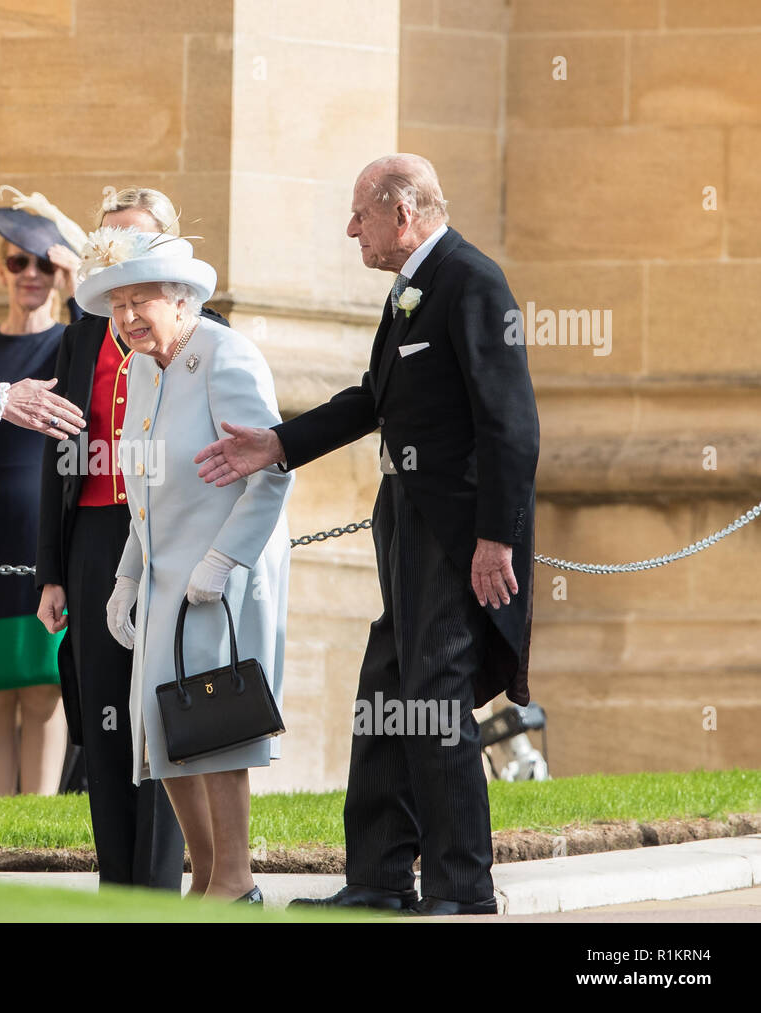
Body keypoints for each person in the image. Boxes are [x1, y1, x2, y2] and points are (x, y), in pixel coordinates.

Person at [194, 153, 540, 915]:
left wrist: (496, 540)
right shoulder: (411, 290)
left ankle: (461, 889)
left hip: (454, 534)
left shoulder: (472, 280)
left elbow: (512, 424)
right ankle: (381, 877)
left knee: (435, 698)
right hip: (403, 524)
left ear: (403, 212)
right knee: (384, 690)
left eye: (360, 214)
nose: (351, 228)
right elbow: (371, 399)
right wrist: (277, 442)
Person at [77, 227, 294, 904]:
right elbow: (142, 485)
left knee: (218, 721)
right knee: (161, 723)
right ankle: (203, 873)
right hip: (168, 571)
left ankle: (235, 878)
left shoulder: (225, 355)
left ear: (181, 298)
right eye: (118, 305)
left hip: (225, 571)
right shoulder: (143, 366)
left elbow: (272, 471)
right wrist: (126, 574)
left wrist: (224, 559)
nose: (128, 317)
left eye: (140, 300)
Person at [36, 188, 231, 890]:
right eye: (107, 239)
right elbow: (58, 450)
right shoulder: (85, 328)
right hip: (96, 538)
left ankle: (156, 884)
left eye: (133, 240)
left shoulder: (200, 327)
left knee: (161, 709)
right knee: (104, 717)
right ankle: (116, 884)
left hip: (170, 534)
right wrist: (51, 569)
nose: (115, 256)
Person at [0, 191, 86, 796]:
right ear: (2, 270)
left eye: (44, 265)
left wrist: (80, 270)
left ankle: (40, 809)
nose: (30, 275)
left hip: (42, 531)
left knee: (43, 683)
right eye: (17, 263)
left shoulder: (68, 341)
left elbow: (108, 345)